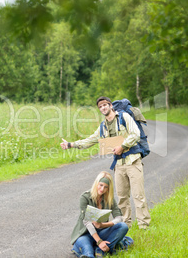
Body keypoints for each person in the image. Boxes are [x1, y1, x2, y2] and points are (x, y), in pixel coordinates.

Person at [61, 96, 151, 229]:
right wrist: (71, 144)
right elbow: (91, 140)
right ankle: (126, 226)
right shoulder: (103, 126)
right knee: (122, 198)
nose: (103, 108)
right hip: (119, 165)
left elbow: (135, 134)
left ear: (110, 105)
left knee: (138, 195)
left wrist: (122, 146)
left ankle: (144, 226)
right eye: (100, 107)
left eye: (105, 105)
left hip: (133, 161)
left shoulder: (124, 117)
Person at [71, 171, 130, 257]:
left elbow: (119, 218)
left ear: (109, 188)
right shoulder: (85, 197)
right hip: (85, 234)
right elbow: (87, 222)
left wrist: (102, 225)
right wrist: (99, 241)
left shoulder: (109, 199)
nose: (102, 189)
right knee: (88, 251)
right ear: (96, 183)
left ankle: (100, 250)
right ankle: (95, 249)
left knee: (123, 226)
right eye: (101, 185)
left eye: (106, 187)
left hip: (101, 232)